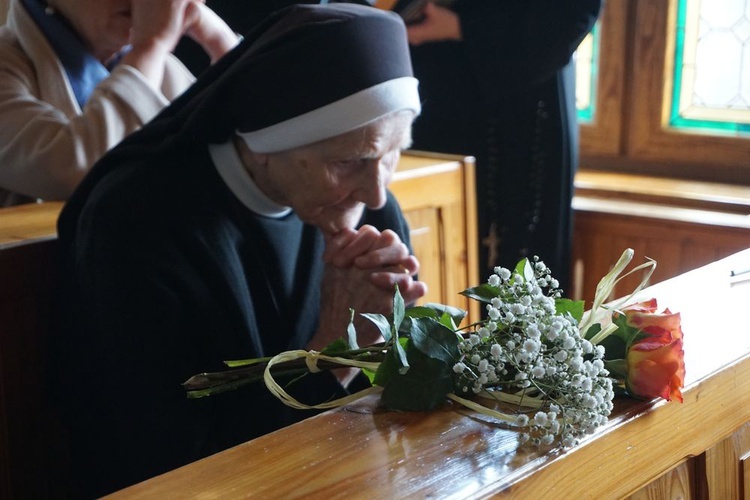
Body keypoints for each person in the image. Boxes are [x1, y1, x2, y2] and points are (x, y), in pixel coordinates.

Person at [54, 4, 427, 497]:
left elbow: (393, 411)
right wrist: (335, 352)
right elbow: (173, 457)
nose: (377, 193)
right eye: (350, 161)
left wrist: (395, 343)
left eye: (393, 152)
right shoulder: (139, 222)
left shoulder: (372, 210)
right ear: (270, 144)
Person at [406, 0, 602, 291]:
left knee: (517, 275)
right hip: (432, 102)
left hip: (522, 111)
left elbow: (571, 15)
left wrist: (463, 28)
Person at [0, 0, 239, 206]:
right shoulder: (147, 58)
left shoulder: (160, 68)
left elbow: (252, 167)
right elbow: (77, 170)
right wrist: (152, 44)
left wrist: (223, 45)